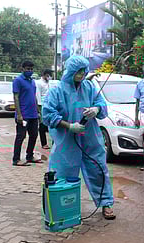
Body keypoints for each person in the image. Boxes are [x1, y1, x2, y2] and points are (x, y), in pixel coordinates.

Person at [42, 55, 115, 219]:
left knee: (98, 170)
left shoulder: (89, 87)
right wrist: (69, 126)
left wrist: (95, 109)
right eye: (79, 71)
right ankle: (61, 208)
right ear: (71, 71)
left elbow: (102, 105)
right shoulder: (57, 91)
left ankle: (106, 203)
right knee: (62, 174)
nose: (82, 74)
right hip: (67, 141)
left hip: (91, 138)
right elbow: (47, 115)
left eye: (84, 71)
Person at [12, 60, 43, 166]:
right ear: (23, 69)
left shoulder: (32, 81)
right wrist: (19, 114)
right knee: (20, 136)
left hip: (33, 114)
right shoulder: (18, 80)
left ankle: (29, 156)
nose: (30, 71)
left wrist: (38, 111)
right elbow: (16, 97)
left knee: (34, 135)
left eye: (31, 69)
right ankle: (16, 159)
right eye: (27, 69)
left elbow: (33, 96)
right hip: (23, 114)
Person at [35, 69, 53, 149]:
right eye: (48, 76)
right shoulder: (39, 83)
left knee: (50, 123)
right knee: (42, 124)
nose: (49, 77)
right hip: (42, 105)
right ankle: (44, 143)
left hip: (49, 104)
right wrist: (38, 109)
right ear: (45, 75)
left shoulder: (48, 83)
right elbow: (37, 95)